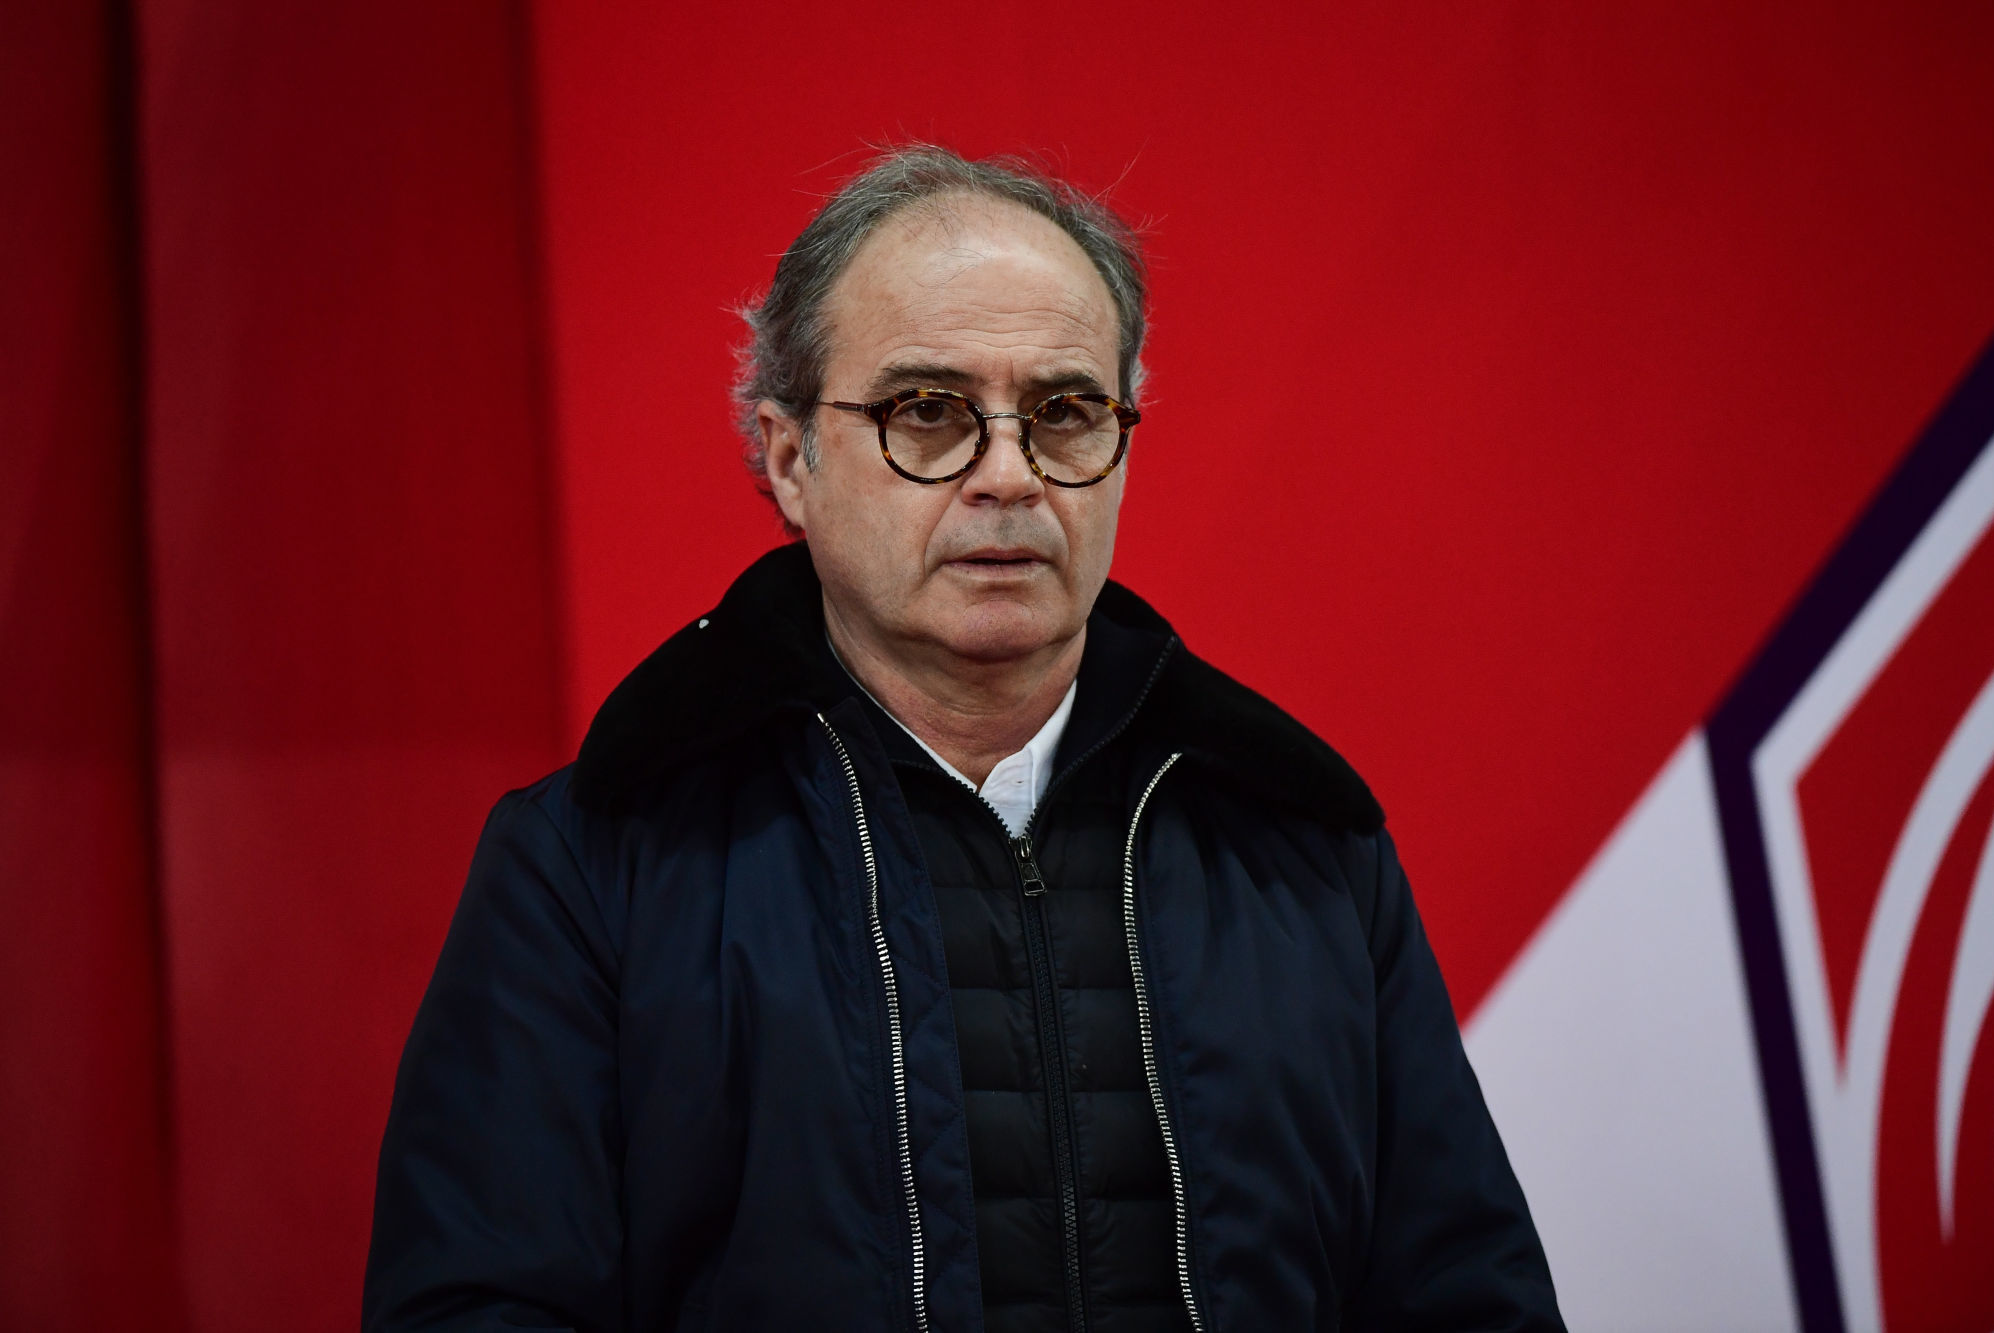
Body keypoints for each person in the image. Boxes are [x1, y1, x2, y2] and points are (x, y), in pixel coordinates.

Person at [364, 146, 1563, 1333]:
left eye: (1065, 411)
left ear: (1122, 448)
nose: (1010, 475)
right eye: (927, 413)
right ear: (792, 460)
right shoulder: (596, 859)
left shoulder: (1305, 847)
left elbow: (1467, 1299)